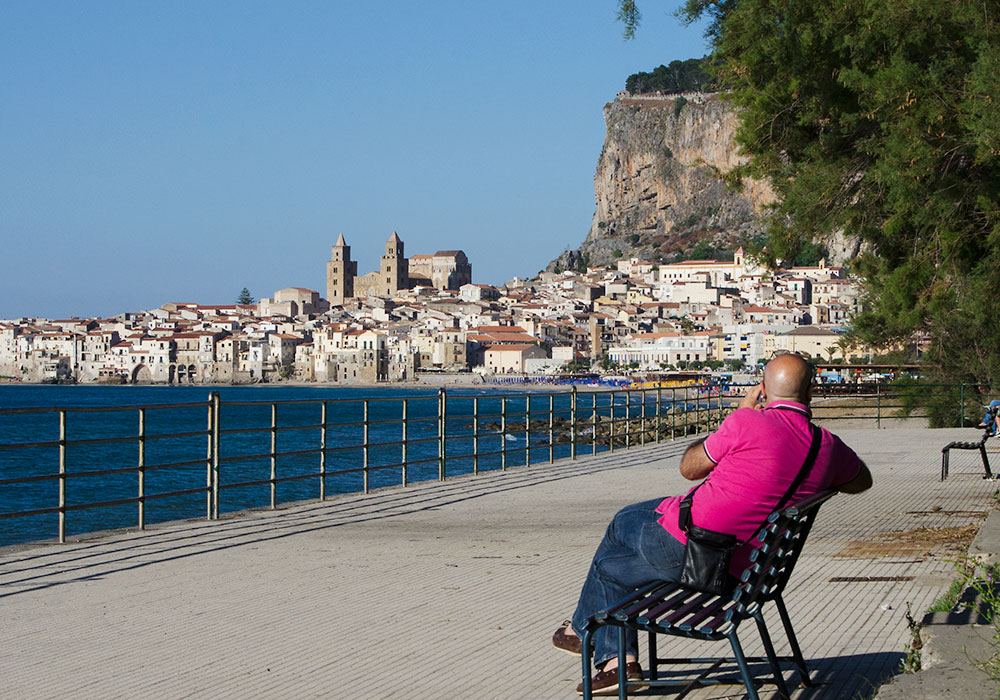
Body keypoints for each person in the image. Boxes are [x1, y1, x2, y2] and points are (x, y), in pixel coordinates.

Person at [552, 353, 873, 696]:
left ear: (762, 390)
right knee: (612, 564)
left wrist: (739, 416)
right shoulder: (827, 446)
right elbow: (861, 481)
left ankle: (590, 638)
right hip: (753, 573)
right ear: (810, 392)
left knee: (619, 530)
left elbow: (690, 468)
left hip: (698, 556)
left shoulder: (747, 422)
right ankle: (611, 656)